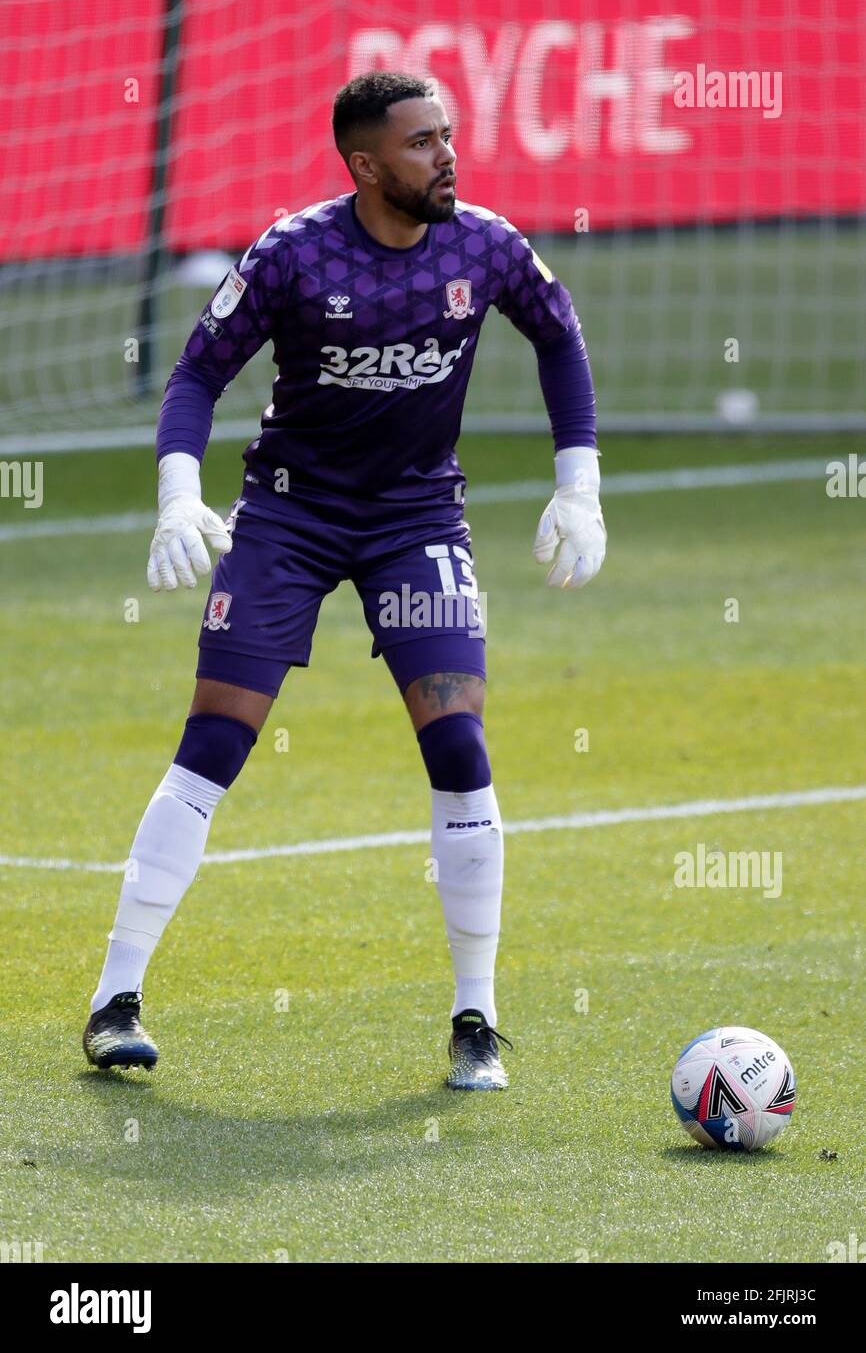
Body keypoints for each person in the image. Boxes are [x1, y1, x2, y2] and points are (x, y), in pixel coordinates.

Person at [82, 71, 606, 1091]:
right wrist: (179, 496)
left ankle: (475, 1015)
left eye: (447, 135)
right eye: (420, 143)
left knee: (457, 740)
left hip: (414, 521)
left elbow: (557, 337)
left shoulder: (485, 245)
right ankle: (115, 999)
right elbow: (196, 373)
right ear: (365, 165)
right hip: (288, 516)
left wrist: (577, 486)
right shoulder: (292, 254)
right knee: (215, 741)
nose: (445, 155)